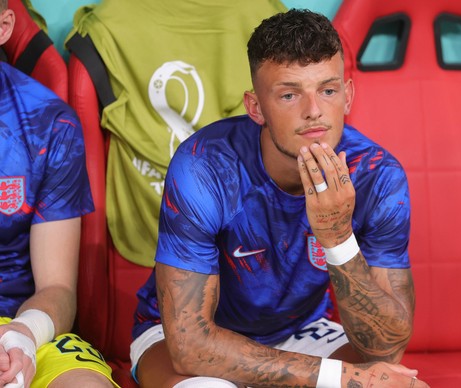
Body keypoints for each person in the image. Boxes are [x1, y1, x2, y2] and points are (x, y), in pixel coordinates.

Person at [131, 9, 428, 388]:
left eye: (328, 90)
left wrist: (337, 239)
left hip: (301, 332)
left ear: (348, 95)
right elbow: (190, 346)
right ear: (256, 107)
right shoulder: (205, 166)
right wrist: (343, 378)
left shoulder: (377, 175)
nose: (314, 111)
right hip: (182, 339)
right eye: (289, 94)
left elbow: (386, 347)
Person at [0, 2, 118, 387]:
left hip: (19, 320)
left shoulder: (50, 124)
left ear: (3, 27)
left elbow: (57, 288)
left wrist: (22, 337)